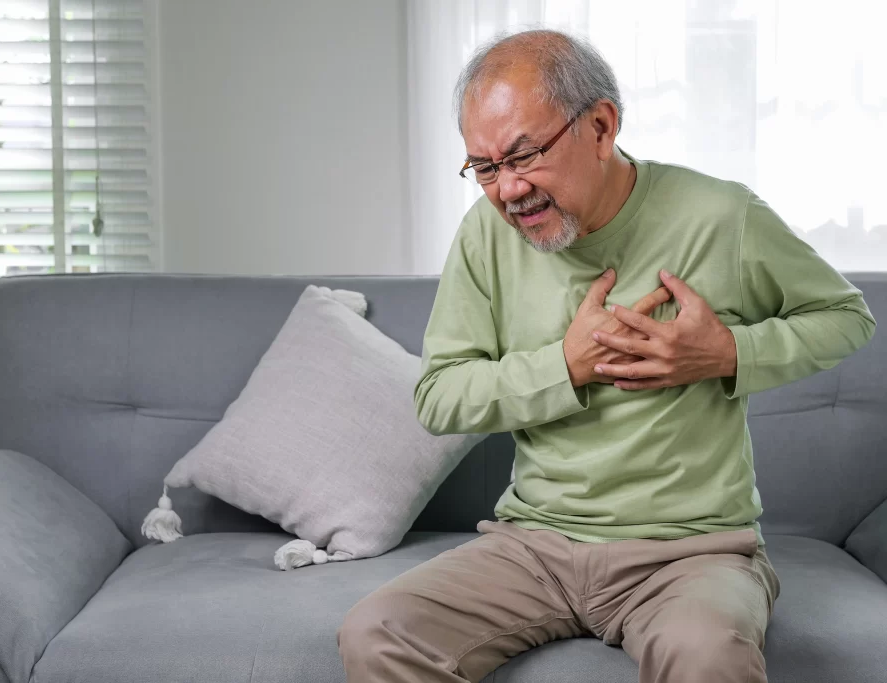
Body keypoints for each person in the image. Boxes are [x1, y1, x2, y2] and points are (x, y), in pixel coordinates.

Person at [337, 29, 875, 683]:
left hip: (688, 551)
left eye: (523, 155)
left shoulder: (722, 216)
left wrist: (729, 350)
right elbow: (440, 395)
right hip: (534, 545)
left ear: (600, 125)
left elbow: (846, 318)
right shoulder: (485, 235)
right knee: (375, 631)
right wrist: (566, 365)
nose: (506, 191)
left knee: (708, 657)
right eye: (483, 167)